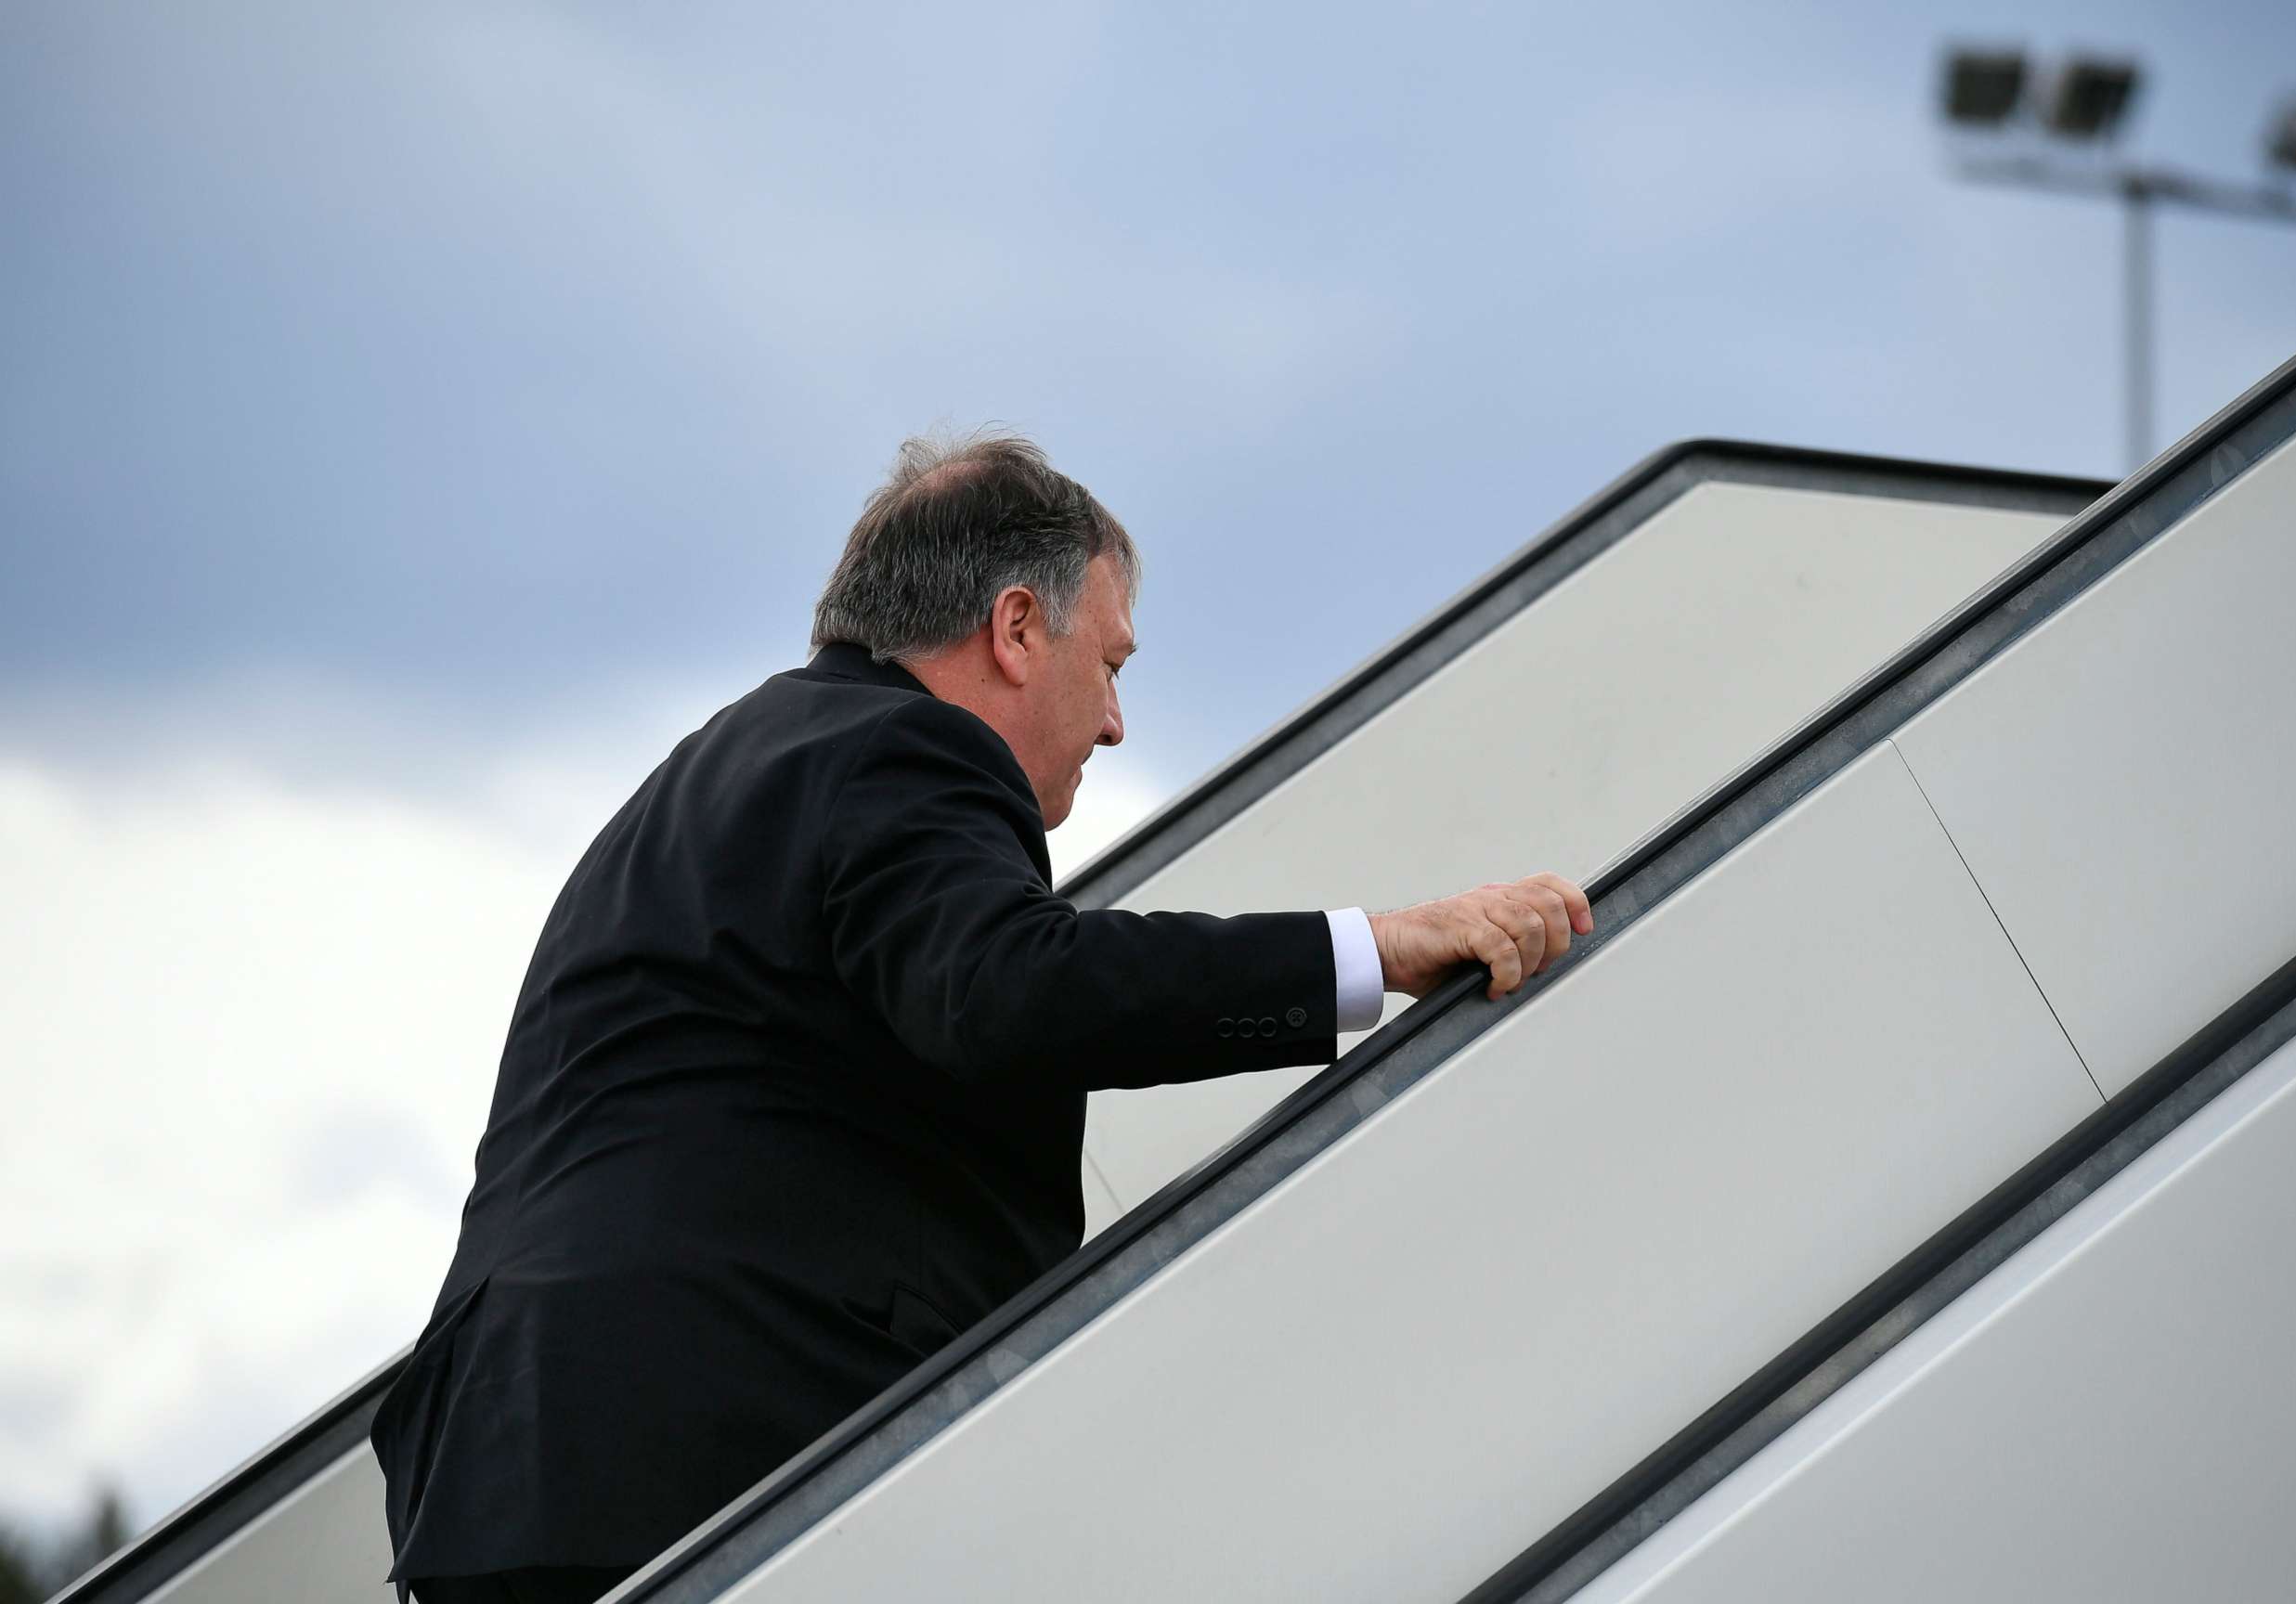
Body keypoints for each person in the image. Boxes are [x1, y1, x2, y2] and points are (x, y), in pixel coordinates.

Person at [370, 433, 1592, 1604]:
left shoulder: (726, 771)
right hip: (719, 1440)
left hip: (502, 1466)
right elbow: (1008, 989)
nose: (1115, 722)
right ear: (1015, 627)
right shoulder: (904, 751)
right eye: (1110, 663)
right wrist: (1374, 950)